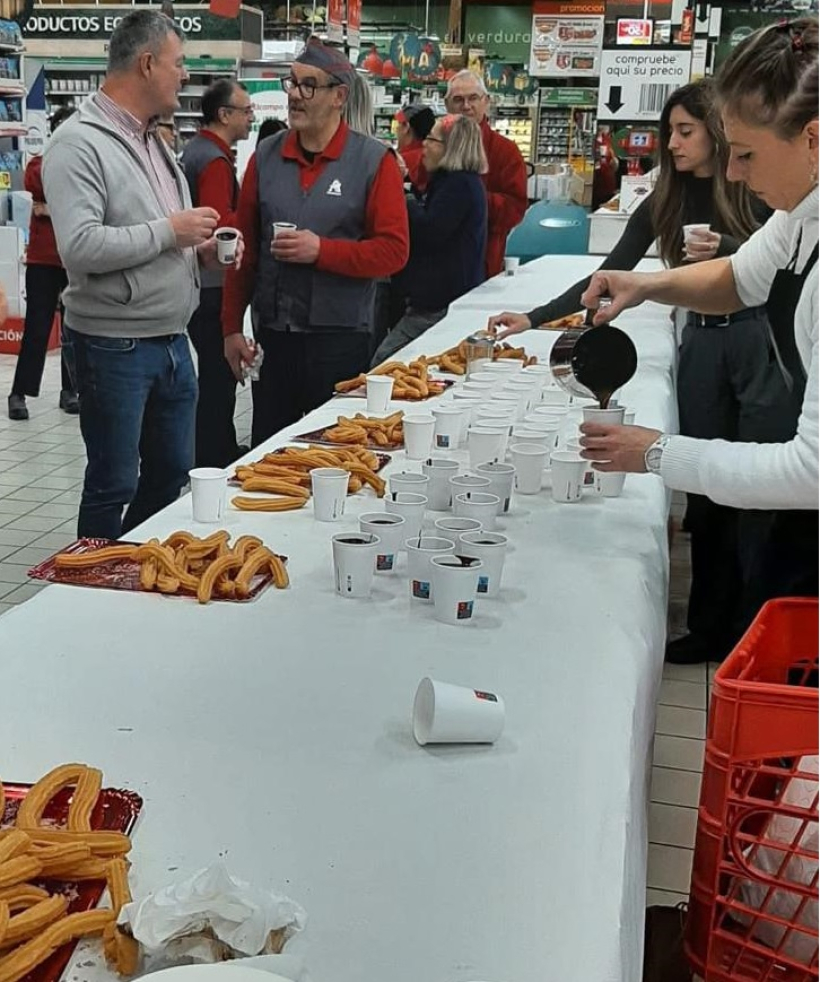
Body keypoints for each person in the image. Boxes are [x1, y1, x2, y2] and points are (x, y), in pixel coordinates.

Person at [489, 79, 793, 665]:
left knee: (762, 495)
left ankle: (755, 632)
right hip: (702, 345)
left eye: (685, 132)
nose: (673, 145)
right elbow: (609, 275)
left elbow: (779, 266)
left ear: (717, 133)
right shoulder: (664, 202)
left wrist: (727, 247)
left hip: (759, 347)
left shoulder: (756, 195)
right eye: (668, 134)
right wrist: (532, 317)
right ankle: (708, 628)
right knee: (705, 495)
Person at [580, 18, 819, 636]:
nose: (735, 175)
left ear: (814, 140)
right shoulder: (801, 214)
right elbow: (739, 276)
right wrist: (646, 284)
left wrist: (657, 453)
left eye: (747, 154)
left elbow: (807, 472)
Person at [43, 10, 240, 539]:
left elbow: (160, 234)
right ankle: (88, 592)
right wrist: (170, 232)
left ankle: (137, 572)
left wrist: (198, 250)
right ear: (147, 63)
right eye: (179, 64)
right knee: (112, 483)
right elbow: (80, 247)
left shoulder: (154, 141)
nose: (185, 75)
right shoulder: (77, 143)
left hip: (172, 339)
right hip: (114, 343)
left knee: (171, 472)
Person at [222, 37, 409, 446]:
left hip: (341, 339)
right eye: (292, 83)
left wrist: (322, 251)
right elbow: (246, 250)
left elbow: (393, 252)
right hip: (275, 337)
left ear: (339, 96)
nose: (295, 96)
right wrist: (231, 328)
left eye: (309, 85)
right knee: (270, 450)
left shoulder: (374, 162)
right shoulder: (265, 157)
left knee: (335, 452)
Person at [370, 114, 487, 366]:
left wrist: (403, 194)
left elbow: (430, 230)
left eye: (431, 140)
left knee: (384, 362)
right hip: (443, 296)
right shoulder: (455, 182)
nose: (424, 144)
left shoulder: (458, 185)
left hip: (439, 303)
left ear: (450, 148)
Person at [180, 78, 253, 469]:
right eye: (245, 111)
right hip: (211, 284)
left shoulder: (195, 151)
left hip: (195, 281)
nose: (251, 117)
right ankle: (215, 455)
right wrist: (251, 219)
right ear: (224, 115)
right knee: (218, 373)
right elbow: (217, 223)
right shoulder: (214, 161)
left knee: (210, 372)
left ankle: (210, 449)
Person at [7, 106, 79, 421]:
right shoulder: (43, 161)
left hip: (74, 258)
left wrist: (51, 207)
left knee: (74, 328)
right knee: (37, 328)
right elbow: (33, 179)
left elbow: (82, 198)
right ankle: (18, 393)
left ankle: (70, 390)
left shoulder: (83, 163)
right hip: (42, 259)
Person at [444, 69, 526, 278]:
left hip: (483, 260)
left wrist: (472, 200)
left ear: (486, 101)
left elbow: (515, 208)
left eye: (473, 98)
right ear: (447, 105)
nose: (466, 106)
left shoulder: (505, 151)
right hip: (437, 262)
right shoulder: (437, 145)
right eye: (458, 100)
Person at [394, 102, 435, 192]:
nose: (396, 129)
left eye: (397, 124)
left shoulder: (400, 160)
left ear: (406, 127)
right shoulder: (433, 155)